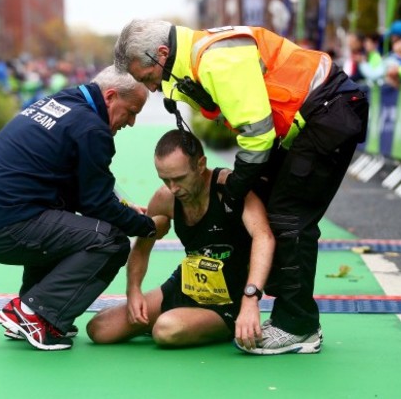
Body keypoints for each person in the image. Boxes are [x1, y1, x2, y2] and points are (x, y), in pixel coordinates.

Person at [114, 20, 368, 355]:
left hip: (328, 111)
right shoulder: (197, 57)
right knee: (265, 202)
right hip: (315, 114)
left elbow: (258, 136)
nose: (152, 88)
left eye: (148, 78)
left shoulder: (215, 62)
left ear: (162, 53)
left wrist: (233, 189)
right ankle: (265, 299)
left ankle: (298, 325)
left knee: (289, 216)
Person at [0, 65, 167, 351]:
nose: (132, 122)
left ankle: (32, 308)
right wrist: (147, 226)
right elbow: (95, 203)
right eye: (132, 111)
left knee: (66, 222)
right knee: (110, 242)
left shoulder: (60, 101)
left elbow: (78, 191)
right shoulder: (91, 128)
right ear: (110, 96)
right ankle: (36, 314)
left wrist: (124, 209)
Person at [86, 129, 277, 351]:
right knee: (99, 329)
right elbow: (142, 247)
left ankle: (214, 323)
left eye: (179, 178)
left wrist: (251, 300)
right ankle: (182, 319)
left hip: (227, 301)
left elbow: (264, 237)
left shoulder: (230, 188)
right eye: (165, 180)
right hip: (185, 287)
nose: (173, 188)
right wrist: (134, 289)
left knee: (166, 329)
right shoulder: (165, 198)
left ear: (200, 164)